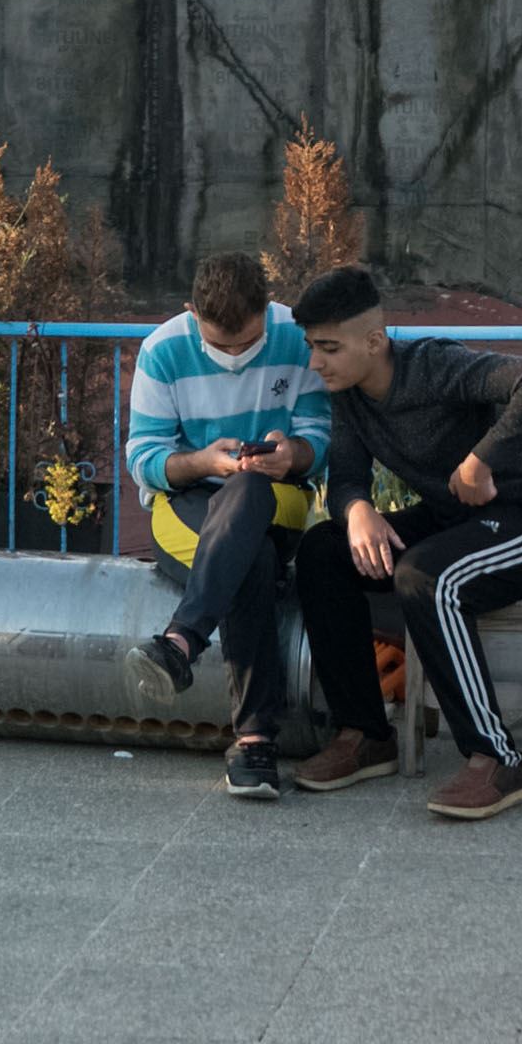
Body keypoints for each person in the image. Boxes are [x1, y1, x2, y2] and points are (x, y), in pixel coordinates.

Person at [286, 265, 522, 821]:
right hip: (456, 523)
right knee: (326, 551)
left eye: (328, 347)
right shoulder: (350, 395)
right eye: (311, 347)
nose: (315, 362)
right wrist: (357, 512)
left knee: (427, 576)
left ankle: (496, 758)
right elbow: (348, 475)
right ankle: (366, 734)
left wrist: (481, 460)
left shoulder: (435, 365)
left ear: (374, 341)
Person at [118, 251, 328, 801]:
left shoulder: (295, 335)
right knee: (249, 558)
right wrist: (203, 463)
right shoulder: (162, 349)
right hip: (187, 506)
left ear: (268, 309)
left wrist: (295, 455)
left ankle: (181, 641)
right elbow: (143, 459)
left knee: (251, 490)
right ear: (191, 314)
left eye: (249, 344)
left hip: (275, 497)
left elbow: (319, 440)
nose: (234, 356)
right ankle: (256, 743)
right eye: (219, 345)